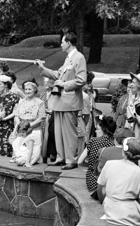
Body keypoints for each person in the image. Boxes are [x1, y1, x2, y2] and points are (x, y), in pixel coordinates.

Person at [36, 32, 87, 170]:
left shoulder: (79, 58)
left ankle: (71, 159)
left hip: (70, 102)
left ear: (69, 43)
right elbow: (58, 74)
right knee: (58, 132)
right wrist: (42, 68)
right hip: (59, 102)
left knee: (69, 132)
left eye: (63, 42)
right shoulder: (68, 59)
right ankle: (61, 157)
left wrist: (63, 84)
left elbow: (82, 79)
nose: (61, 44)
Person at [78, 115, 116, 199]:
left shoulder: (93, 141)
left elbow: (79, 161)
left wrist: (90, 165)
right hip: (110, 182)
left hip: (93, 181)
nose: (95, 131)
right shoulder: (115, 143)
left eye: (98, 129)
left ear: (105, 129)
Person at [12, 81, 46, 160]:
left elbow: (41, 117)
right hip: (22, 129)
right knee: (20, 149)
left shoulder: (40, 102)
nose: (27, 91)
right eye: (26, 89)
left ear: (34, 90)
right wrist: (19, 125)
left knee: (34, 152)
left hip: (34, 129)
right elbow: (16, 115)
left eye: (29, 89)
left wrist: (29, 125)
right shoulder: (21, 101)